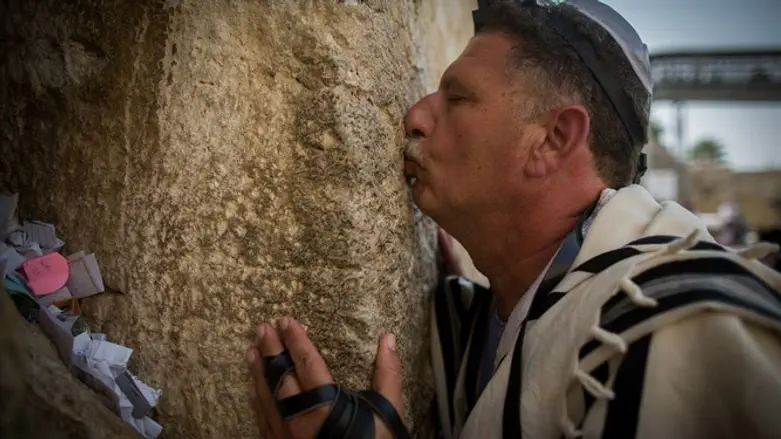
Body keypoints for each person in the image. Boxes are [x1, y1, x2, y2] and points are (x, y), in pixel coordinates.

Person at [245, 0, 781, 438]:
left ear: (552, 140)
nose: (416, 114)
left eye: (457, 97)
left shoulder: (683, 333)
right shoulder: (493, 321)